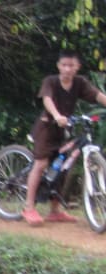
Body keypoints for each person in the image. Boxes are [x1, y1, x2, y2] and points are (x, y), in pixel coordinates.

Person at [23, 49, 106, 226]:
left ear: (77, 67)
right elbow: (47, 99)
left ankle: (55, 211)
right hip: (46, 128)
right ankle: (29, 207)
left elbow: (97, 96)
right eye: (64, 65)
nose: (67, 69)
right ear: (58, 66)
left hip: (63, 130)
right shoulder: (51, 81)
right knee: (41, 164)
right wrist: (56, 115)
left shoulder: (79, 83)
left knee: (62, 167)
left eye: (71, 65)